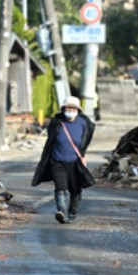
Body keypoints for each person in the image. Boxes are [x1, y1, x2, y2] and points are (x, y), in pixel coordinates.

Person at [31, 95, 95, 224]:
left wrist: (82, 155)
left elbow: (86, 141)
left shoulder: (84, 123)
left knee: (75, 190)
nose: (70, 110)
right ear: (63, 108)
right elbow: (50, 139)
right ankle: (62, 211)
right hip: (57, 161)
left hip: (75, 162)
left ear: (78, 110)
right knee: (60, 187)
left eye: (73, 108)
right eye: (68, 108)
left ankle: (72, 212)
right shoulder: (57, 122)